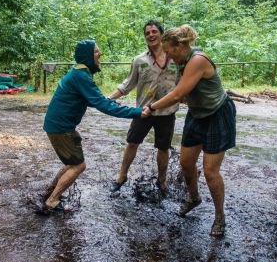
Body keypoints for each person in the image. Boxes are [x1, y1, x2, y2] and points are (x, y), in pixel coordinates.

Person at [143, 24, 236, 237]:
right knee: (186, 163)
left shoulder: (197, 60)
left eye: (169, 51)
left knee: (211, 170)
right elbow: (183, 92)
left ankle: (220, 216)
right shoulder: (182, 62)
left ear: (180, 46)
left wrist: (151, 107)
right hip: (197, 115)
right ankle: (194, 198)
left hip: (217, 115)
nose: (168, 55)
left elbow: (177, 94)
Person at [41, 39, 146, 214]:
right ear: (87, 56)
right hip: (61, 128)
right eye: (96, 52)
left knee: (71, 163)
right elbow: (103, 106)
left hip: (58, 126)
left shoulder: (79, 74)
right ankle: (51, 201)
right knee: (78, 166)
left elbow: (95, 100)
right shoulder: (81, 76)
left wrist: (107, 101)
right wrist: (137, 112)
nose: (100, 54)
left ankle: (51, 194)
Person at [108, 20, 179, 195]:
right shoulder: (139, 60)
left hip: (167, 111)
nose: (151, 35)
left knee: (163, 148)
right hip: (143, 111)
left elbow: (185, 83)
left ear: (161, 34)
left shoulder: (175, 58)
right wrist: (107, 99)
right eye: (147, 33)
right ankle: (121, 176)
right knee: (132, 142)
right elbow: (127, 84)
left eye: (154, 31)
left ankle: (162, 182)